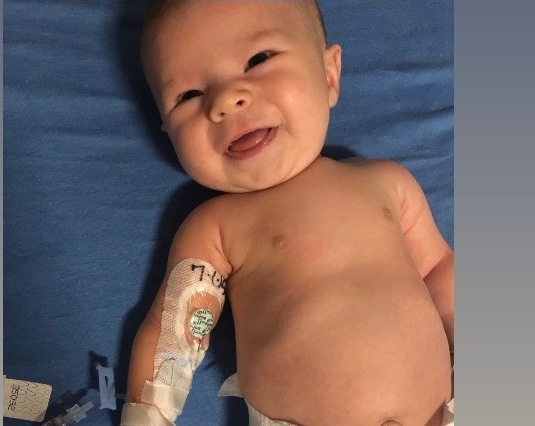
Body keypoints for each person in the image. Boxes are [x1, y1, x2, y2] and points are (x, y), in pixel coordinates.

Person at [121, 1, 454, 425]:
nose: (226, 100)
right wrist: (147, 413)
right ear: (168, 132)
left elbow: (439, 270)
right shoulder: (215, 227)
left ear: (328, 74)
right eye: (189, 95)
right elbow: (173, 333)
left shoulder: (387, 183)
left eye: (258, 59)